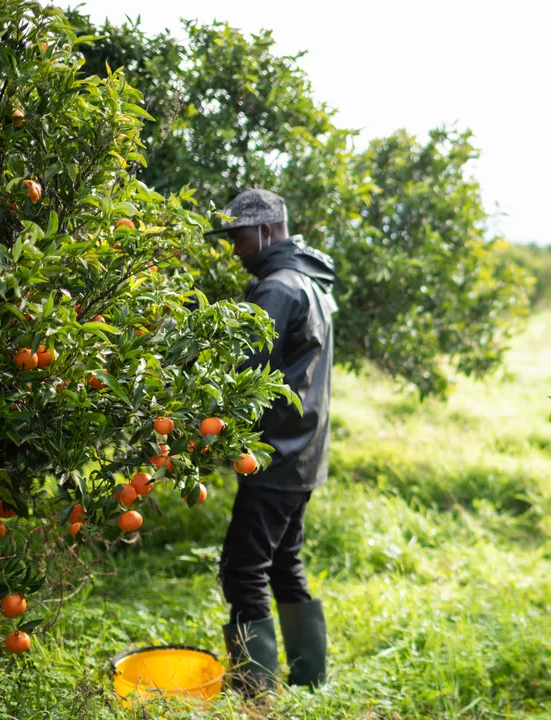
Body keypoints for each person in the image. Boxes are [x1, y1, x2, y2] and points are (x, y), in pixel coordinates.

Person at [206, 189, 338, 695]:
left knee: (244, 573)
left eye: (238, 237)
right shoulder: (312, 283)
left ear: (264, 231)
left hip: (274, 455)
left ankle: (254, 693)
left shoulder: (279, 290)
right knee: (284, 563)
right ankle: (310, 683)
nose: (235, 249)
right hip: (303, 454)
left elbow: (243, 371)